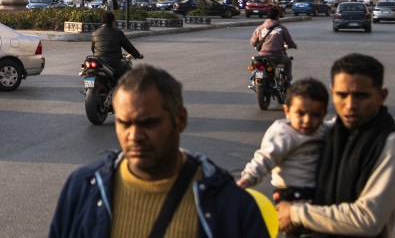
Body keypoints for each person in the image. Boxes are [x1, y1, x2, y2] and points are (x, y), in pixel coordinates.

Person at [49, 65, 270, 238]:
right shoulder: (82, 188)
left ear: (180, 120)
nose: (135, 136)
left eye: (149, 123)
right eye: (124, 123)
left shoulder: (231, 206)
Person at [278, 53, 395, 238]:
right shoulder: (328, 132)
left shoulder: (393, 147)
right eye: (342, 95)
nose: (350, 105)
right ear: (332, 92)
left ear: (381, 96)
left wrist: (296, 213)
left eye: (361, 96)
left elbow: (367, 219)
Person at [237, 78, 328, 210]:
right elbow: (265, 158)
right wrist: (248, 178)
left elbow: (336, 124)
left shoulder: (322, 129)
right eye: (301, 113)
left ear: (323, 114)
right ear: (287, 111)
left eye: (315, 115)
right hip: (291, 193)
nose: (307, 120)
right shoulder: (283, 134)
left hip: (316, 192)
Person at [90, 11, 142, 79]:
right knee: (127, 68)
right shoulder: (118, 33)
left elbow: (93, 48)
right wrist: (137, 55)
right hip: (114, 64)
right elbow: (129, 47)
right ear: (112, 22)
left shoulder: (95, 33)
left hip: (99, 63)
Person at [249, 10, 296, 81]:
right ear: (277, 16)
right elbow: (289, 42)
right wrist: (293, 46)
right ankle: (288, 78)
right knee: (288, 61)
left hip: (262, 56)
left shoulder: (259, 28)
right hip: (277, 56)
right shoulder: (282, 29)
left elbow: (253, 42)